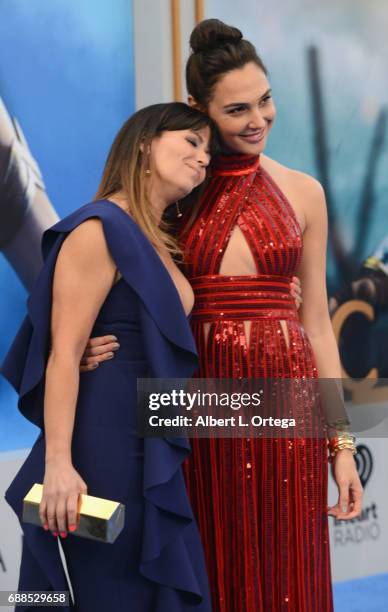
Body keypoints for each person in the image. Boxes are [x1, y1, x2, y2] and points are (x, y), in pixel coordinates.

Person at [83, 20, 363, 612]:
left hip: (288, 402)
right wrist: (82, 341)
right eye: (237, 109)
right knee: (211, 561)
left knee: (290, 568)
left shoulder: (304, 191)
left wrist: (340, 442)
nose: (258, 119)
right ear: (198, 109)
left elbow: (316, 323)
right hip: (194, 400)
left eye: (265, 100)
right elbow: (97, 272)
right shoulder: (173, 192)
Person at [0, 102, 217, 612]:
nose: (203, 158)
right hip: (105, 448)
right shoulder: (99, 229)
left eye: (208, 151)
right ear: (144, 142)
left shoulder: (163, 241)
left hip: (155, 440)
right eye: (191, 142)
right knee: (117, 591)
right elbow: (62, 354)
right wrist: (58, 465)